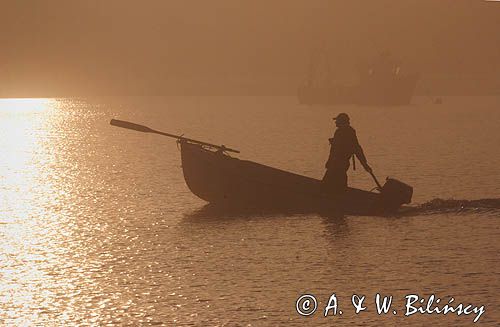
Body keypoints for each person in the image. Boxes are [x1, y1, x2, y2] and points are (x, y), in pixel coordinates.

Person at [323, 113, 372, 195]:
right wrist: (365, 165)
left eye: (337, 121)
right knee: (340, 182)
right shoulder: (348, 131)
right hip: (341, 163)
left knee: (328, 183)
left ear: (341, 121)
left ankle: (336, 199)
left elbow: (355, 149)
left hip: (337, 164)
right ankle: (340, 197)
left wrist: (365, 165)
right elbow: (357, 149)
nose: (335, 122)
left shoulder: (341, 132)